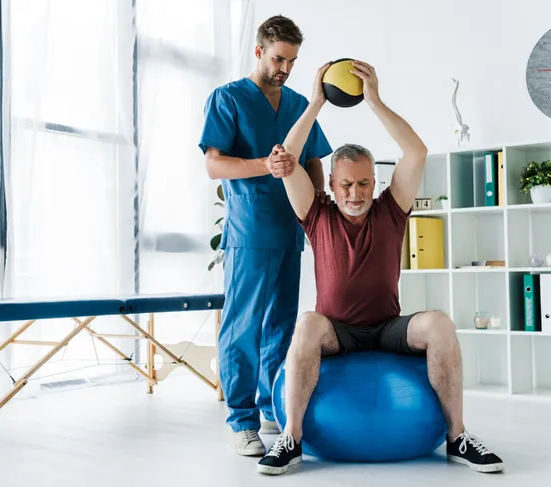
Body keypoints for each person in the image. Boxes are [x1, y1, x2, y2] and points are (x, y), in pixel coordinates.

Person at [255, 60, 505, 475]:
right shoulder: (317, 214)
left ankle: (457, 437)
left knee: (439, 323)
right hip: (337, 331)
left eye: (365, 183)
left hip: (387, 327)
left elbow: (416, 151)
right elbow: (288, 159)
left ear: (376, 181)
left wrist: (373, 100)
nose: (356, 193)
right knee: (306, 323)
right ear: (332, 185)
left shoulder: (392, 210)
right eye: (347, 184)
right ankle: (292, 439)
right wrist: (317, 101)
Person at [198, 15, 332, 456]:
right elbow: (214, 164)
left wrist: (317, 210)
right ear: (259, 51)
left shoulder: (296, 104)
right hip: (250, 229)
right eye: (278, 58)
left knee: (280, 326)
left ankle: (273, 407)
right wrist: (264, 165)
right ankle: (241, 420)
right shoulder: (228, 98)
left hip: (291, 228)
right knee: (243, 327)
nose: (285, 69)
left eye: (292, 61)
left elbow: (313, 161)